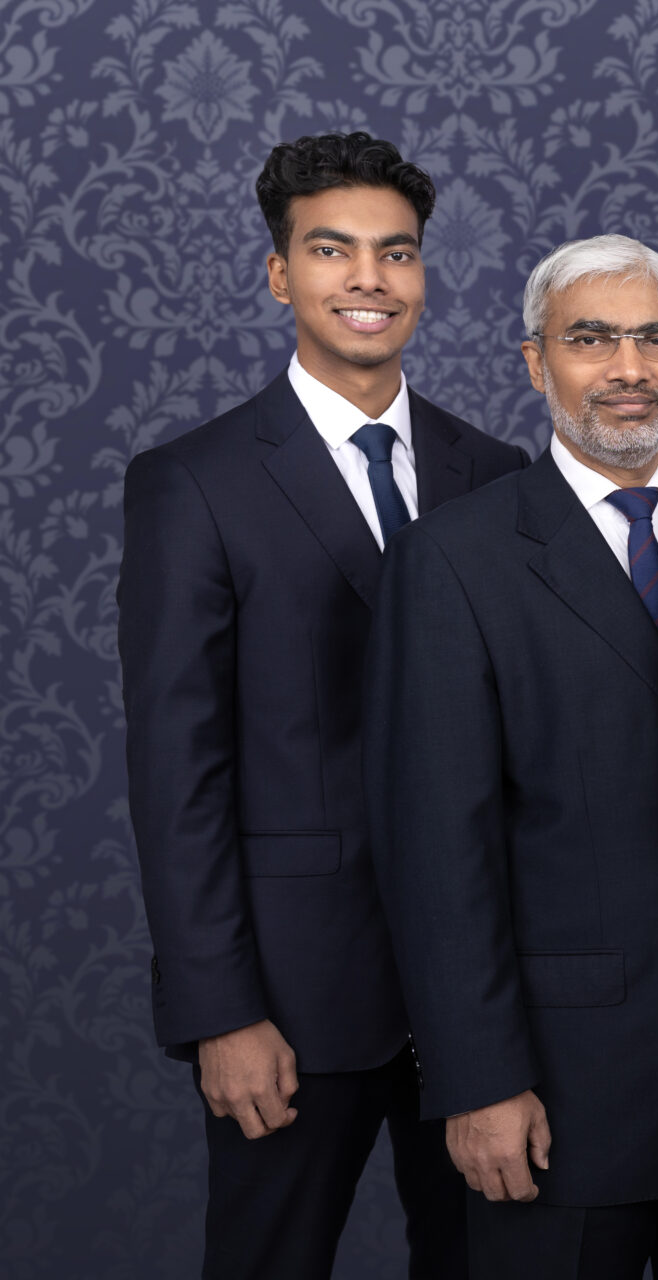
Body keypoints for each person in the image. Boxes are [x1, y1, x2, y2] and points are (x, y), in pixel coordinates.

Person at [117, 131, 525, 1279]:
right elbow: (175, 765)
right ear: (279, 273)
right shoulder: (194, 482)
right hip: (289, 1000)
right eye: (333, 251)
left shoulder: (495, 473)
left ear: (424, 276)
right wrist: (218, 1008)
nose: (369, 279)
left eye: (396, 254)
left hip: (480, 999)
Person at [361, 236, 658, 1280]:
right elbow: (436, 846)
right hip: (562, 1088)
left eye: (655, 338)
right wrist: (477, 1078)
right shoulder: (455, 557)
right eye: (591, 339)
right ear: (536, 363)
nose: (627, 368)